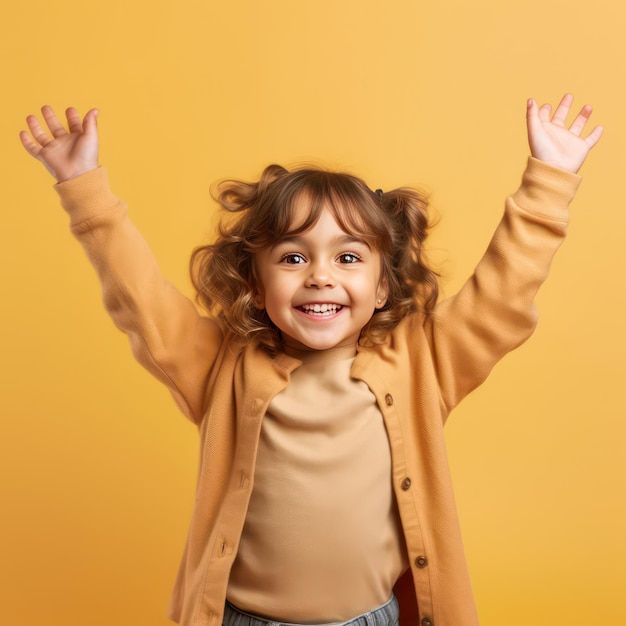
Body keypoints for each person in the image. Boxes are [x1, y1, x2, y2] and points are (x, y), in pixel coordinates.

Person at [19, 95, 602, 626]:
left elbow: (502, 296)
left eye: (348, 257)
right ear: (255, 281)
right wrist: (84, 189)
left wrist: (548, 183)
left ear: (381, 288)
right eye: (293, 257)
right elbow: (140, 300)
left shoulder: (424, 361)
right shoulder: (221, 368)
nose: (321, 274)